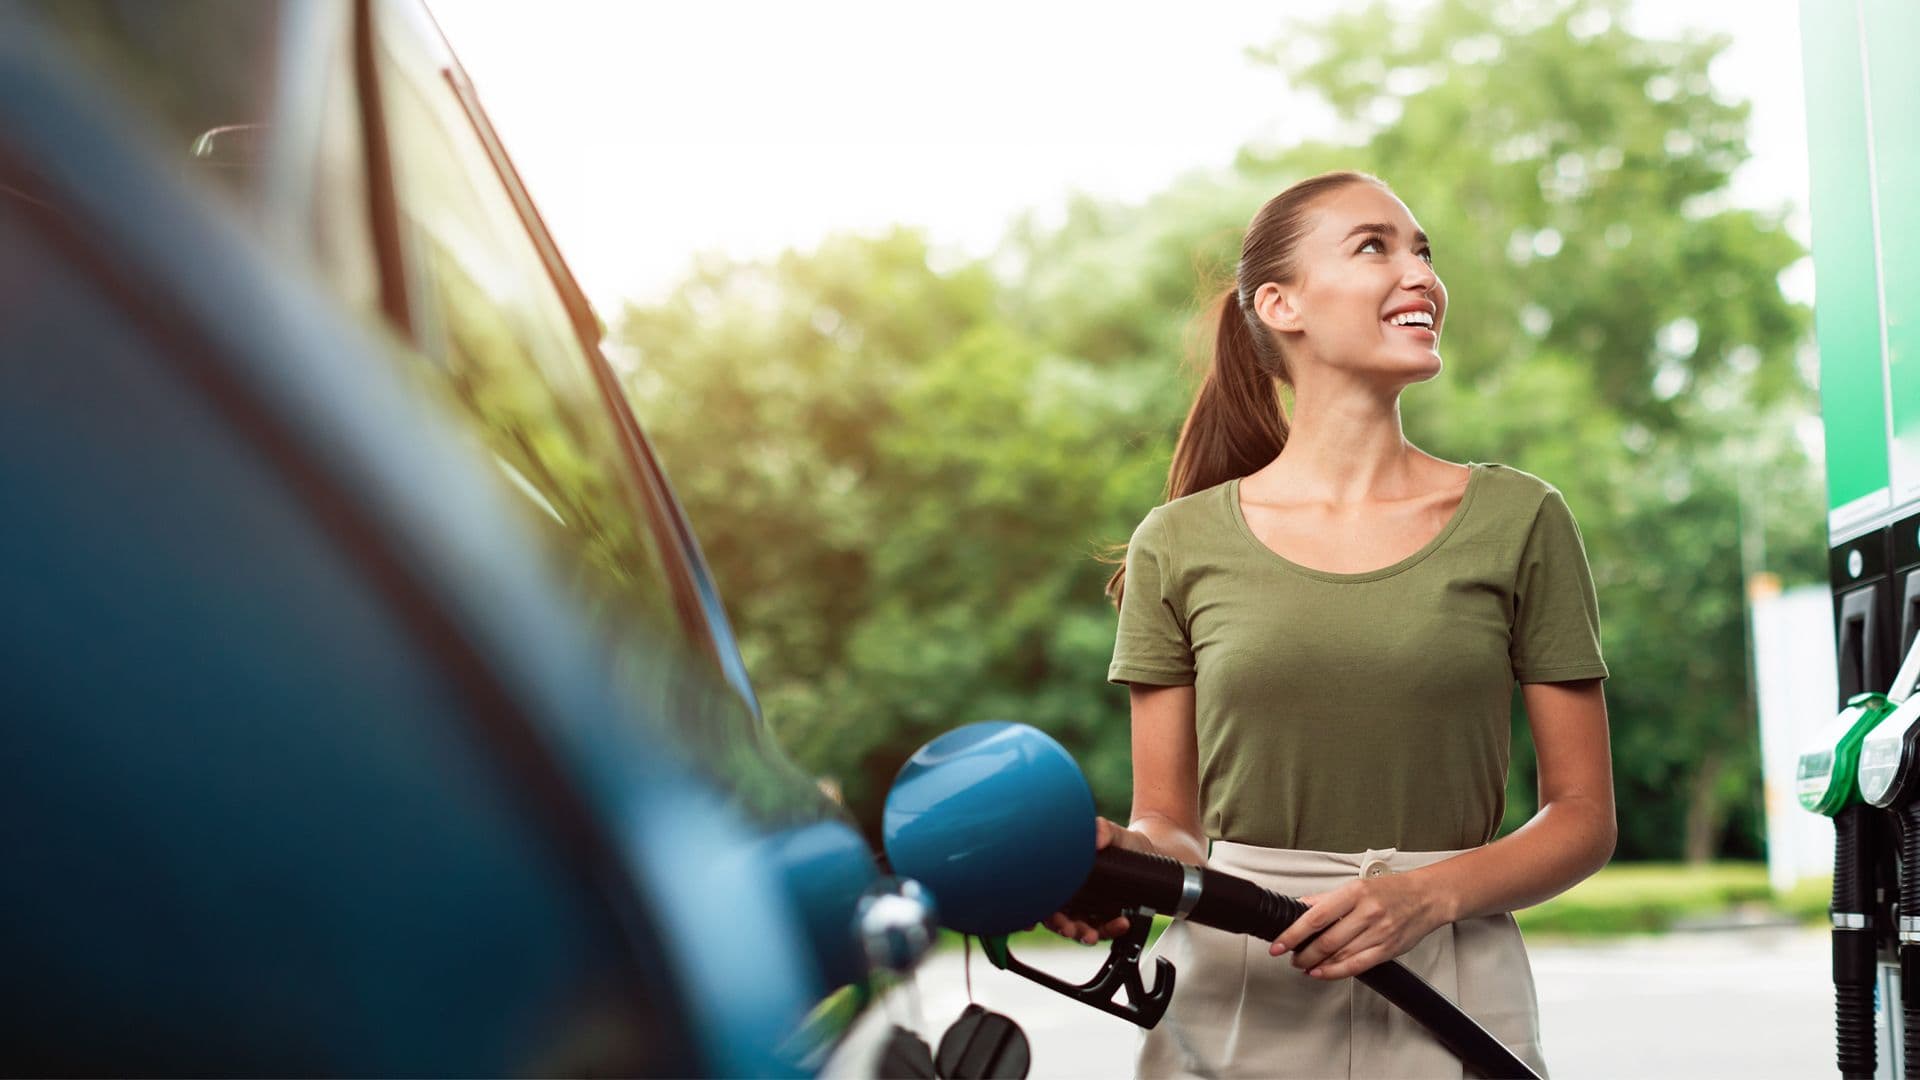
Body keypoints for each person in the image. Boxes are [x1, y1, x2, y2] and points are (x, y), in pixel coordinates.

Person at [1043, 170, 1614, 1078]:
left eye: (1423, 250)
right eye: (1374, 247)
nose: (1420, 274)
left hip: (1454, 976)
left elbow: (1583, 816)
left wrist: (1421, 897)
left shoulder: (1520, 519)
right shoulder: (1178, 543)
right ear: (1281, 304)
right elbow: (1173, 825)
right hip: (1242, 980)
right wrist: (1119, 864)